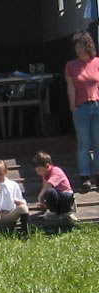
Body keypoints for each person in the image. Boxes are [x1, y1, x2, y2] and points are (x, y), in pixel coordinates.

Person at [65, 31, 99, 192]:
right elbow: (71, 86)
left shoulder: (97, 62)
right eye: (76, 46)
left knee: (98, 142)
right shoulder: (71, 65)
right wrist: (73, 106)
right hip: (81, 107)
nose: (78, 49)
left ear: (88, 46)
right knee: (84, 143)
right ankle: (84, 175)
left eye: (81, 45)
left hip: (97, 104)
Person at [0, 160, 30, 238]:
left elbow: (22, 201)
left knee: (24, 208)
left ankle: (26, 235)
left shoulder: (14, 185)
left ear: (6, 172)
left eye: (0, 174)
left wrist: (19, 202)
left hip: (10, 214)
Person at [33, 151, 77, 223]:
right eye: (36, 171)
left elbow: (49, 185)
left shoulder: (56, 171)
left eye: (39, 170)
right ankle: (53, 211)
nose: (38, 173)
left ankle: (67, 212)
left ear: (47, 166)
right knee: (49, 192)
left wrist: (40, 197)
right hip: (56, 199)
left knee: (51, 191)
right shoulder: (45, 175)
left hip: (65, 199)